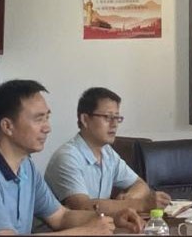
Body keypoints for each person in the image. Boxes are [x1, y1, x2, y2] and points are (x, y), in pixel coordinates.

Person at [0, 80, 140, 236]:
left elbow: (61, 216)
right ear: (7, 126)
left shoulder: (26, 166)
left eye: (47, 118)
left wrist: (111, 219)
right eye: (39, 119)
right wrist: (84, 231)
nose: (47, 128)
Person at [44, 86, 171, 215]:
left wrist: (129, 198)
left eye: (117, 118)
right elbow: (83, 208)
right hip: (65, 228)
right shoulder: (67, 158)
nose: (114, 124)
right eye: (107, 117)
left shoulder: (107, 153)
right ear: (85, 119)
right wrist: (139, 204)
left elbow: (140, 184)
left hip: (99, 226)